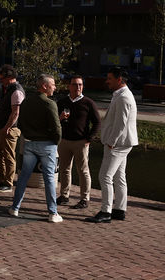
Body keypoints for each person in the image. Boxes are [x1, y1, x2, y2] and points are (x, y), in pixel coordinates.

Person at [7, 75, 63, 223]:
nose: (55, 87)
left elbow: (20, 123)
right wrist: (55, 142)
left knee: (23, 177)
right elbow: (57, 127)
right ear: (44, 86)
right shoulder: (50, 104)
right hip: (47, 144)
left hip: (29, 143)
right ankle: (52, 212)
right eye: (53, 84)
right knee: (49, 179)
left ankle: (15, 207)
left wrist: (28, 134)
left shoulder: (26, 101)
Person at [88, 67, 138, 223]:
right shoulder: (121, 95)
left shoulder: (123, 97)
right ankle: (119, 210)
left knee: (105, 176)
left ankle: (106, 211)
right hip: (122, 142)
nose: (107, 81)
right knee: (119, 176)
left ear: (119, 79)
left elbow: (121, 124)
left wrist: (111, 142)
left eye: (110, 78)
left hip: (117, 144)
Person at [56, 75, 101, 210]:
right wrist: (60, 118)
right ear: (69, 86)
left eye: (80, 84)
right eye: (75, 84)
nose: (78, 87)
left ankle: (84, 199)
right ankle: (64, 196)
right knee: (64, 169)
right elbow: (54, 121)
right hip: (64, 141)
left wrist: (89, 139)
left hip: (81, 142)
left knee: (83, 171)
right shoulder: (62, 102)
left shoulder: (88, 103)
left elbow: (97, 123)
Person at [0, 65, 24, 192]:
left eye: (2, 78)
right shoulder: (7, 89)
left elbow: (16, 113)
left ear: (10, 77)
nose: (1, 80)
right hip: (1, 127)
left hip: (10, 129)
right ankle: (1, 179)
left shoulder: (16, 91)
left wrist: (7, 127)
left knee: (9, 156)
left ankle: (8, 183)